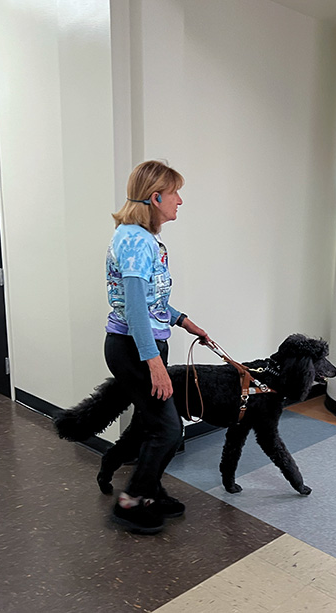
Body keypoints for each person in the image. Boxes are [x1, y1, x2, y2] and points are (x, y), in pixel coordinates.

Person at [104, 160, 210, 534]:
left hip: (142, 344)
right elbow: (134, 310)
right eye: (175, 193)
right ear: (156, 197)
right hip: (133, 349)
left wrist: (183, 320)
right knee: (166, 431)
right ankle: (132, 502)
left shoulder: (142, 239)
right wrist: (155, 364)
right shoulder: (135, 240)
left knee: (157, 426)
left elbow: (151, 299)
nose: (180, 200)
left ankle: (150, 491)